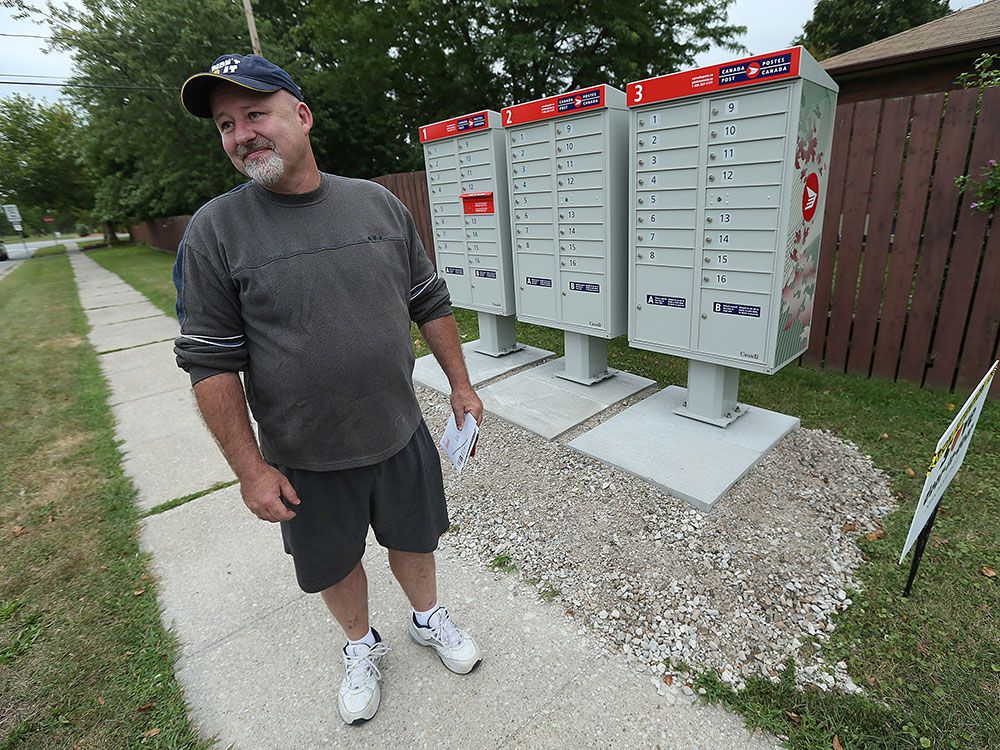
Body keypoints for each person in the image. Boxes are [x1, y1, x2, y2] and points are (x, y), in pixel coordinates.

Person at [174, 53, 484, 725]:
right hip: (304, 455)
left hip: (398, 431)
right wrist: (249, 468)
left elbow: (428, 299)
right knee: (333, 562)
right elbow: (209, 362)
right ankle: (360, 644)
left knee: (415, 539)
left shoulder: (375, 204)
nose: (241, 134)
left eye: (254, 113)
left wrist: (460, 385)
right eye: (226, 124)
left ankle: (428, 620)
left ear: (300, 115)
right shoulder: (214, 232)